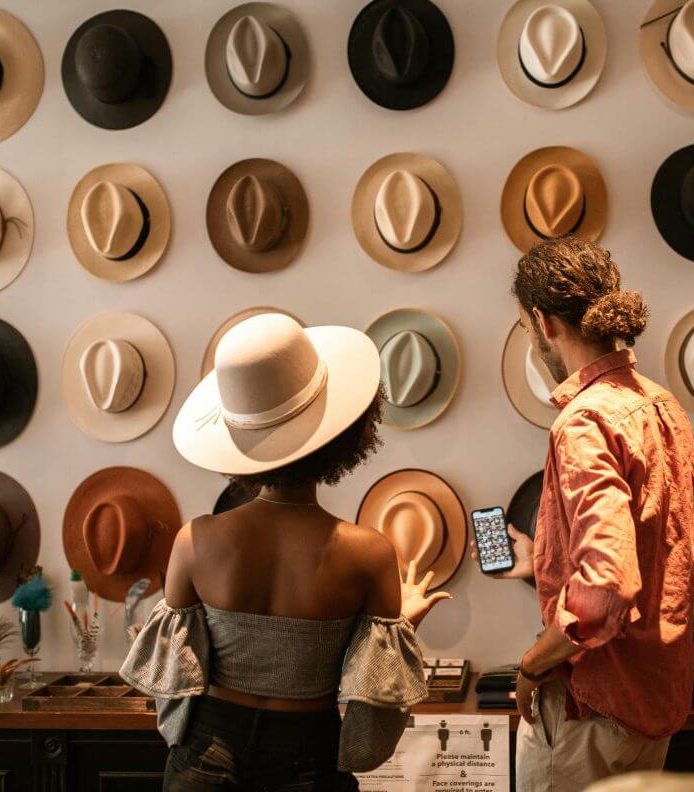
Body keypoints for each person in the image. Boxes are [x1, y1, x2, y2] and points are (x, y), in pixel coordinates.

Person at [121, 314, 450, 791]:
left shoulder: (195, 540)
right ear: (343, 434)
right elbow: (373, 686)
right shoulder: (369, 553)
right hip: (308, 758)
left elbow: (174, 676)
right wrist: (405, 623)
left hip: (206, 755)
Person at [480, 236, 694, 790]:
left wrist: (532, 665)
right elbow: (651, 549)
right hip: (650, 702)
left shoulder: (584, 421)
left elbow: (606, 590)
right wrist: (547, 557)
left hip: (592, 715)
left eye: (527, 329)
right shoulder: (661, 405)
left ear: (543, 322)